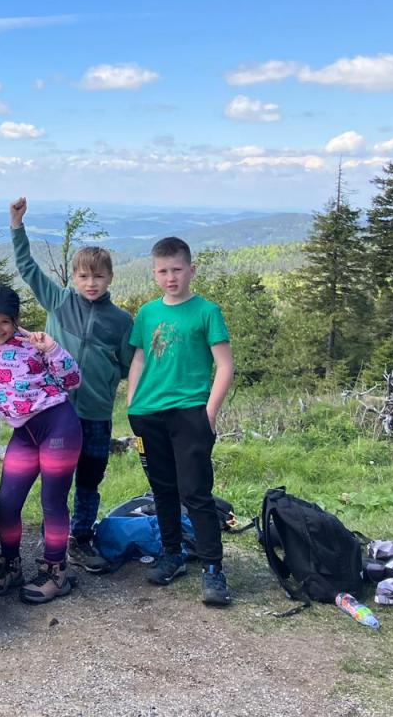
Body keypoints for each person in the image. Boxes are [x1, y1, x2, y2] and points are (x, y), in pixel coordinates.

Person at [9, 196, 133, 573]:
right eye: (83, 276)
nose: (90, 283)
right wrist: (17, 226)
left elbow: (128, 365)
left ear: (110, 278)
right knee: (56, 477)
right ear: (73, 278)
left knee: (90, 478)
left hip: (95, 413)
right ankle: (56, 537)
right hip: (56, 411)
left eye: (98, 276)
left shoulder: (121, 321)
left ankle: (80, 537)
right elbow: (28, 268)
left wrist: (109, 386)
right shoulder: (60, 302)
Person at [127, 236, 234, 606]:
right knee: (163, 490)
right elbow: (139, 358)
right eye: (162, 271)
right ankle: (171, 554)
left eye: (176, 269)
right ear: (154, 273)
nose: (170, 277)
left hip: (190, 411)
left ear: (192, 270)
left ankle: (213, 569)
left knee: (196, 492)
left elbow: (225, 365)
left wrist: (209, 412)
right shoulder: (147, 313)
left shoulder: (207, 311)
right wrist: (132, 402)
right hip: (147, 414)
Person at [0, 286, 84, 605]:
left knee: (52, 500)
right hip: (24, 434)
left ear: (15, 320)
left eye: (4, 322)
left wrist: (53, 350)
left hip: (58, 425)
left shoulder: (34, 344)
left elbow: (73, 380)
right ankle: (11, 564)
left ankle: (56, 571)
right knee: (7, 501)